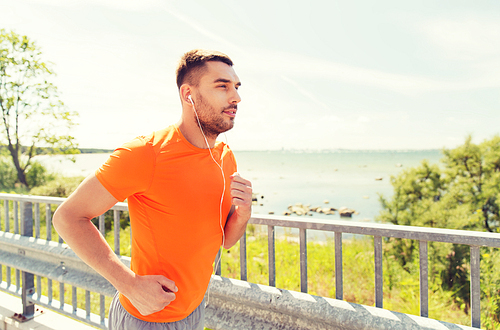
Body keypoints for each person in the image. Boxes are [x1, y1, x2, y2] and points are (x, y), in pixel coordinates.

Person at [53, 49, 252, 330]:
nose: (236, 97)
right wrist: (128, 284)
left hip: (194, 311)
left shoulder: (224, 156)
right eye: (222, 86)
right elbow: (67, 217)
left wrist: (242, 216)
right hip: (146, 320)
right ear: (188, 94)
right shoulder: (146, 153)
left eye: (236, 87)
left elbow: (224, 240)